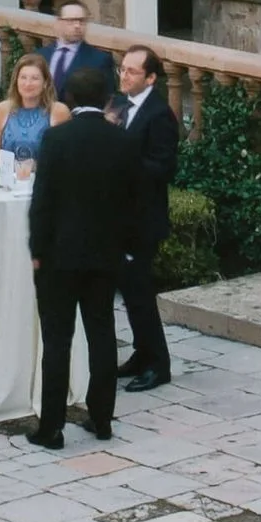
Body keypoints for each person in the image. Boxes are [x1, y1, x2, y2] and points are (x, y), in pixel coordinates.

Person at [25, 61, 141, 449]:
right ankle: (102, 417)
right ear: (108, 98)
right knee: (102, 334)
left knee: (58, 341)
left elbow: (42, 202)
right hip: (104, 255)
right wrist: (123, 246)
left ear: (69, 98)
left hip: (59, 256)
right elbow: (130, 204)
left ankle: (52, 426)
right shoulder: (122, 141)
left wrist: (37, 250)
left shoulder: (56, 140)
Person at [114, 42, 180, 392]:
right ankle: (141, 352)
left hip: (142, 219)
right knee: (127, 290)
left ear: (151, 78)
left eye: (132, 71)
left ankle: (158, 363)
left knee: (140, 291)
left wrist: (122, 161)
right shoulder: (119, 105)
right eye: (122, 69)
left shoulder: (159, 114)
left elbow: (163, 167)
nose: (124, 76)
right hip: (118, 217)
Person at [0, 49, 54, 172]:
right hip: (8, 180)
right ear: (16, 81)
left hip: (41, 180)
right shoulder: (3, 108)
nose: (27, 84)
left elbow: (61, 157)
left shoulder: (55, 111)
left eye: (35, 78)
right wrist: (10, 167)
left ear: (45, 83)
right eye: (23, 77)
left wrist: (34, 167)